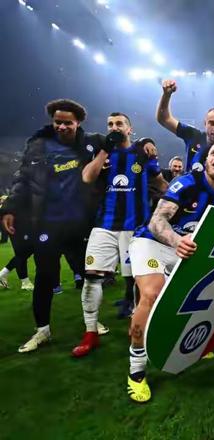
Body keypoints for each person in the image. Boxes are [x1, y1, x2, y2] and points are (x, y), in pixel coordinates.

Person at [126, 142, 214, 403]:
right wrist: (177, 241)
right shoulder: (187, 183)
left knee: (202, 295)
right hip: (153, 243)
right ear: (206, 160)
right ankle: (136, 370)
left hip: (188, 249)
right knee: (152, 294)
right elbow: (157, 221)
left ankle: (189, 345)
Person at [0, 99, 104, 353]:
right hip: (47, 222)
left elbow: (118, 143)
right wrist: (10, 208)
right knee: (45, 276)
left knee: (89, 275)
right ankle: (42, 330)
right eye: (58, 122)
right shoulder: (39, 146)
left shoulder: (91, 143)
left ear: (78, 123)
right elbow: (23, 179)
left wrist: (144, 145)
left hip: (81, 223)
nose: (62, 127)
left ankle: (92, 323)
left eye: (68, 123)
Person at [71, 112, 166, 357]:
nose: (114, 127)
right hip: (104, 225)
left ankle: (138, 324)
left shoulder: (143, 153)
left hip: (135, 227)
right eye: (110, 124)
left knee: (137, 280)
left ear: (129, 129)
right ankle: (90, 332)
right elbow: (87, 177)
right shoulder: (103, 153)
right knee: (92, 276)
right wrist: (104, 150)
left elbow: (161, 184)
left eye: (119, 124)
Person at [156, 78, 214, 172]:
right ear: (205, 124)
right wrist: (166, 95)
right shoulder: (193, 135)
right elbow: (164, 119)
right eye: (212, 123)